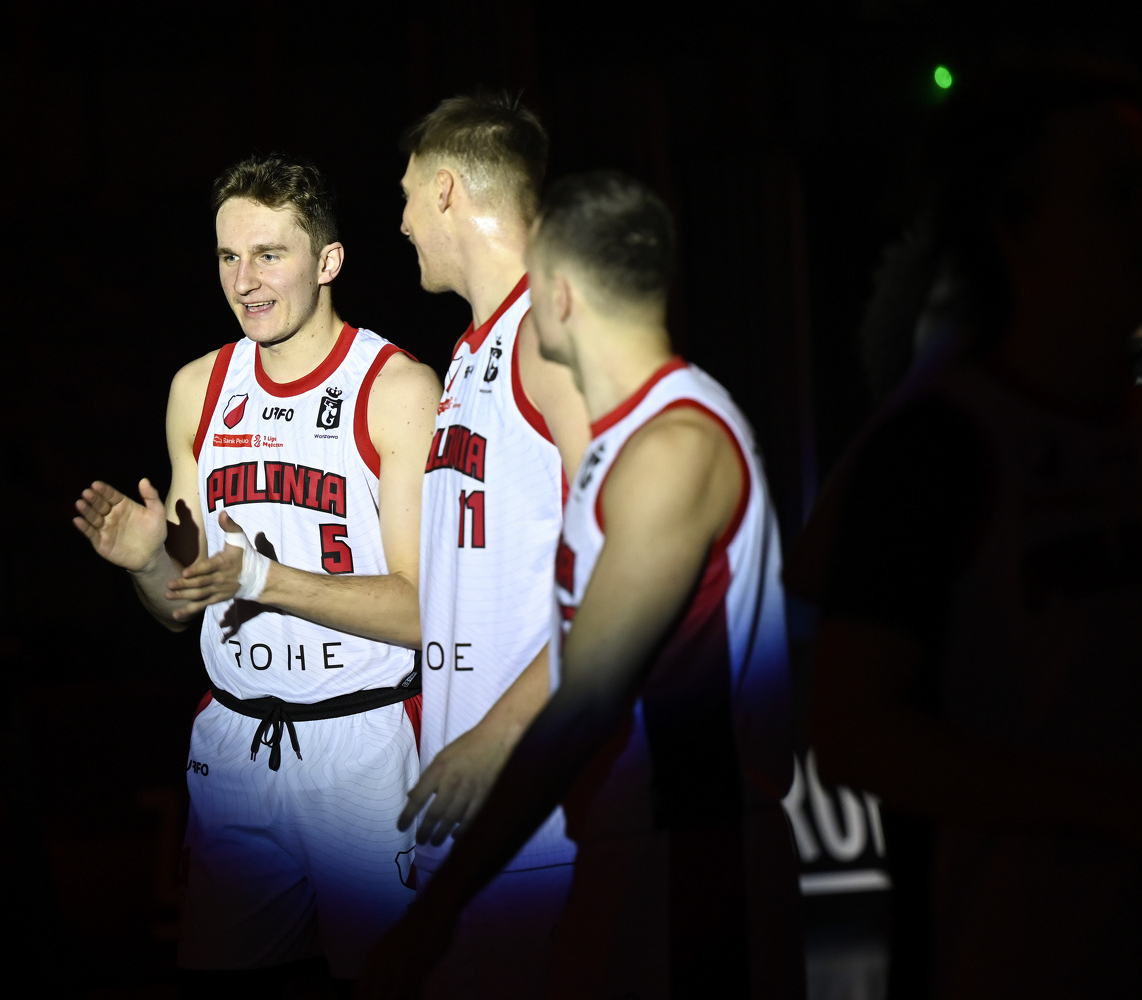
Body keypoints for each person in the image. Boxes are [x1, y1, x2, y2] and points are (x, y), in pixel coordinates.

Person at [361, 172, 802, 999]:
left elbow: (586, 700)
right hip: (630, 844)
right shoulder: (623, 440)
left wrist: (438, 910)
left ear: (558, 296)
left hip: (693, 856)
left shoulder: (671, 445)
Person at [809, 58, 1142, 998]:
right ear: (1016, 226)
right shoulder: (937, 449)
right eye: (1115, 194)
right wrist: (1104, 800)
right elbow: (852, 729)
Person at [71, 154, 440, 986]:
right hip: (235, 743)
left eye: (269, 255)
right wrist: (145, 564)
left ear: (327, 261)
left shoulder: (397, 388)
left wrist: (260, 581)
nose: (245, 281)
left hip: (365, 745)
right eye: (228, 257)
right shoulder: (198, 388)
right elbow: (177, 607)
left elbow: (421, 612)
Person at [394, 92, 591, 997]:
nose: (401, 223)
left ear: (443, 189)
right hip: (475, 828)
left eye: (404, 196)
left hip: (542, 822)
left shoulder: (551, 336)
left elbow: (626, 575)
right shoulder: (475, 350)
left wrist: (495, 735)